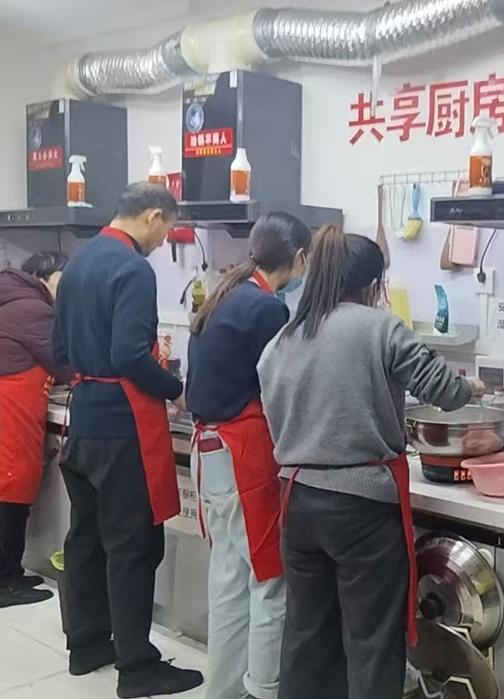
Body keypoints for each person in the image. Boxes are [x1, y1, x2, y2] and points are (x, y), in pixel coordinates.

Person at [258, 227, 484, 699]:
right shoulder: (379, 327)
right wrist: (472, 389)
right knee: (371, 643)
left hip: (298, 502)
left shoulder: (284, 337)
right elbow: (443, 391)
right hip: (360, 507)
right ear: (372, 283)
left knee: (305, 636)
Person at [52, 182, 203, 698]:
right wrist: (176, 390)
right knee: (133, 545)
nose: (163, 242)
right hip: (123, 425)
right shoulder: (133, 268)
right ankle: (137, 668)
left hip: (84, 418)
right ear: (153, 216)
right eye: (167, 231)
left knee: (86, 538)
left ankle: (87, 645)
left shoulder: (78, 263)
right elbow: (130, 356)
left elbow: (60, 349)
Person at [186, 212, 311, 699]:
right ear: (298, 258)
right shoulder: (266, 309)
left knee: (229, 580)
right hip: (244, 457)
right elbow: (284, 390)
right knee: (269, 583)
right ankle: (263, 690)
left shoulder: (226, 295)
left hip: (211, 454)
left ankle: (223, 691)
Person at [0, 251, 72, 609]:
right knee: (10, 498)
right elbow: (63, 362)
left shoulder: (4, 301)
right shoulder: (33, 309)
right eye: (62, 278)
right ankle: (3, 583)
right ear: (44, 277)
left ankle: (3, 571)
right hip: (7, 412)